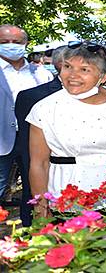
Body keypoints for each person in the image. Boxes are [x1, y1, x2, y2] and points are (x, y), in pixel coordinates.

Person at [28, 41, 106, 218]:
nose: (72, 75)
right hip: (67, 199)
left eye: (84, 70)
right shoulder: (45, 108)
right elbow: (39, 163)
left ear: (104, 76)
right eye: (67, 66)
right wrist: (41, 210)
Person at [12, 46, 64, 226]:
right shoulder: (31, 96)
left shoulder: (103, 97)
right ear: (60, 64)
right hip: (40, 163)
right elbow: (29, 147)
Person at [0, 25, 52, 201]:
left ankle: (32, 226)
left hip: (34, 140)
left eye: (16, 42)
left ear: (26, 43)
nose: (11, 45)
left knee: (34, 191)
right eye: (4, 42)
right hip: (1, 140)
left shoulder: (41, 74)